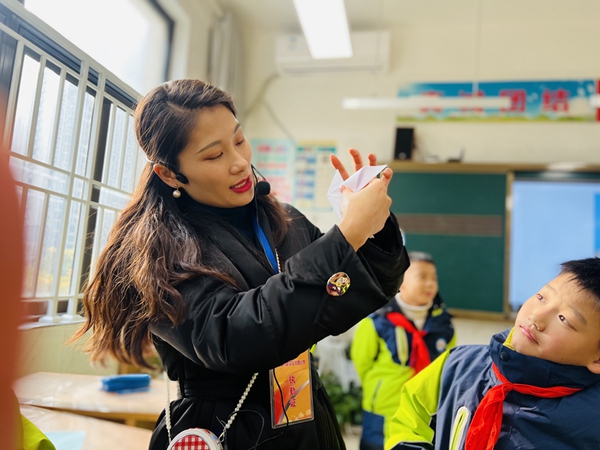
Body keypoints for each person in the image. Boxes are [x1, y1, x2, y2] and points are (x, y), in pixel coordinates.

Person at [71, 79, 409, 450]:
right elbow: (237, 336)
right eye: (214, 155)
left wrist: (372, 230)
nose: (239, 162)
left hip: (305, 420)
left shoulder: (285, 221)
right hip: (227, 431)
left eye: (239, 140)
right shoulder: (157, 253)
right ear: (169, 173)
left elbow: (357, 285)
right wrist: (346, 236)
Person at [386, 257, 600, 450]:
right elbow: (411, 413)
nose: (537, 317)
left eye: (564, 319)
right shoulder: (458, 365)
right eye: (542, 297)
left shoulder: (592, 419)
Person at [350, 251, 455, 450]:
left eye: (434, 278)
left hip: (423, 413)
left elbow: (447, 368)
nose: (430, 284)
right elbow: (362, 362)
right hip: (383, 412)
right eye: (422, 276)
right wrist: (380, 388)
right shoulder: (377, 321)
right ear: (401, 281)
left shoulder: (444, 325)